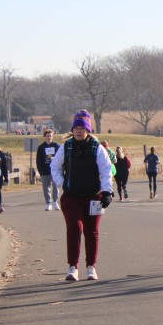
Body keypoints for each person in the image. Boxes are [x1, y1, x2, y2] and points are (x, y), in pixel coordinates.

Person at [50, 110, 113, 281]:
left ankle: (91, 267)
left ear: (88, 130)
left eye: (82, 128)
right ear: (72, 129)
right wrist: (62, 183)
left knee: (92, 231)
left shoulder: (97, 148)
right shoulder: (66, 147)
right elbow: (55, 167)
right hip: (71, 197)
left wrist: (107, 192)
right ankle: (73, 267)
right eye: (76, 128)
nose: (79, 131)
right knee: (74, 228)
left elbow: (106, 171)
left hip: (93, 197)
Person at [36, 129, 61, 211]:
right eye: (47, 136)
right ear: (45, 137)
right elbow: (38, 160)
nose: (49, 137)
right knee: (46, 187)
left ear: (52, 136)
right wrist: (40, 171)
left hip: (55, 171)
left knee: (55, 186)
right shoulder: (41, 147)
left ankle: (55, 202)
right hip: (45, 171)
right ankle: (48, 203)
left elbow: (60, 157)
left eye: (50, 136)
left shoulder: (56, 146)